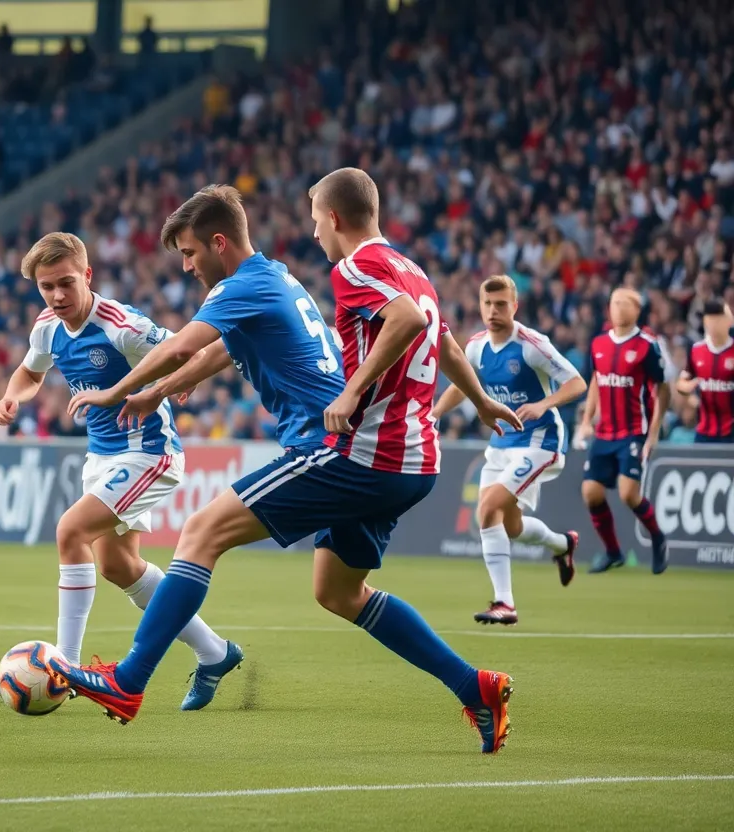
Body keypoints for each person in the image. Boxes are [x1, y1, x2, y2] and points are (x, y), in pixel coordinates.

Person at [62, 177, 521, 754]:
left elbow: (181, 344)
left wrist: (116, 391)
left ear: (220, 243)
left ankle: (129, 682)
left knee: (201, 532)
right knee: (339, 591)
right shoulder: (373, 270)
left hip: (346, 449)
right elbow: (225, 348)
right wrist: (480, 401)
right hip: (412, 462)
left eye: (190, 253)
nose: (186, 266)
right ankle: (476, 687)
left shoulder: (337, 269)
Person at [0, 232, 240, 711]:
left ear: (87, 275)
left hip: (148, 452)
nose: (57, 296)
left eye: (66, 283)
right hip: (102, 457)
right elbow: (30, 373)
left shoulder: (122, 325)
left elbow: (190, 348)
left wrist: (179, 380)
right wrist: (11, 397)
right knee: (119, 567)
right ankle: (215, 652)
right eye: (46, 287)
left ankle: (63, 668)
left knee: (70, 530)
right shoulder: (47, 327)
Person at [431, 275, 586, 624]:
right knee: (508, 525)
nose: (493, 311)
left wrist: (544, 404)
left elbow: (577, 383)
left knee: (487, 507)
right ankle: (563, 544)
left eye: (501, 304)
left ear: (514, 306)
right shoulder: (476, 346)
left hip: (540, 442)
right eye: (487, 304)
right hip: (501, 443)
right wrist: (436, 413)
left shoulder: (532, 345)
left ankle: (505, 603)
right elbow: (463, 384)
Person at [574, 288, 671, 574]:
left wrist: (654, 432)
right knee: (591, 493)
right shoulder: (599, 343)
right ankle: (613, 552)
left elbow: (663, 388)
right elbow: (597, 380)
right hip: (605, 433)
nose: (616, 307)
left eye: (623, 303)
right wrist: (586, 420)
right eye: (614, 302)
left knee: (629, 494)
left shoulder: (647, 346)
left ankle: (658, 538)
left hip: (633, 431)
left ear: (636, 309)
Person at [676, 301, 734, 443]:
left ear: (728, 322)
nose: (713, 324)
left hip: (731, 432)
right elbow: (682, 382)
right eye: (710, 319)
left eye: (718, 319)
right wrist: (687, 390)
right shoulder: (696, 350)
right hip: (704, 431)